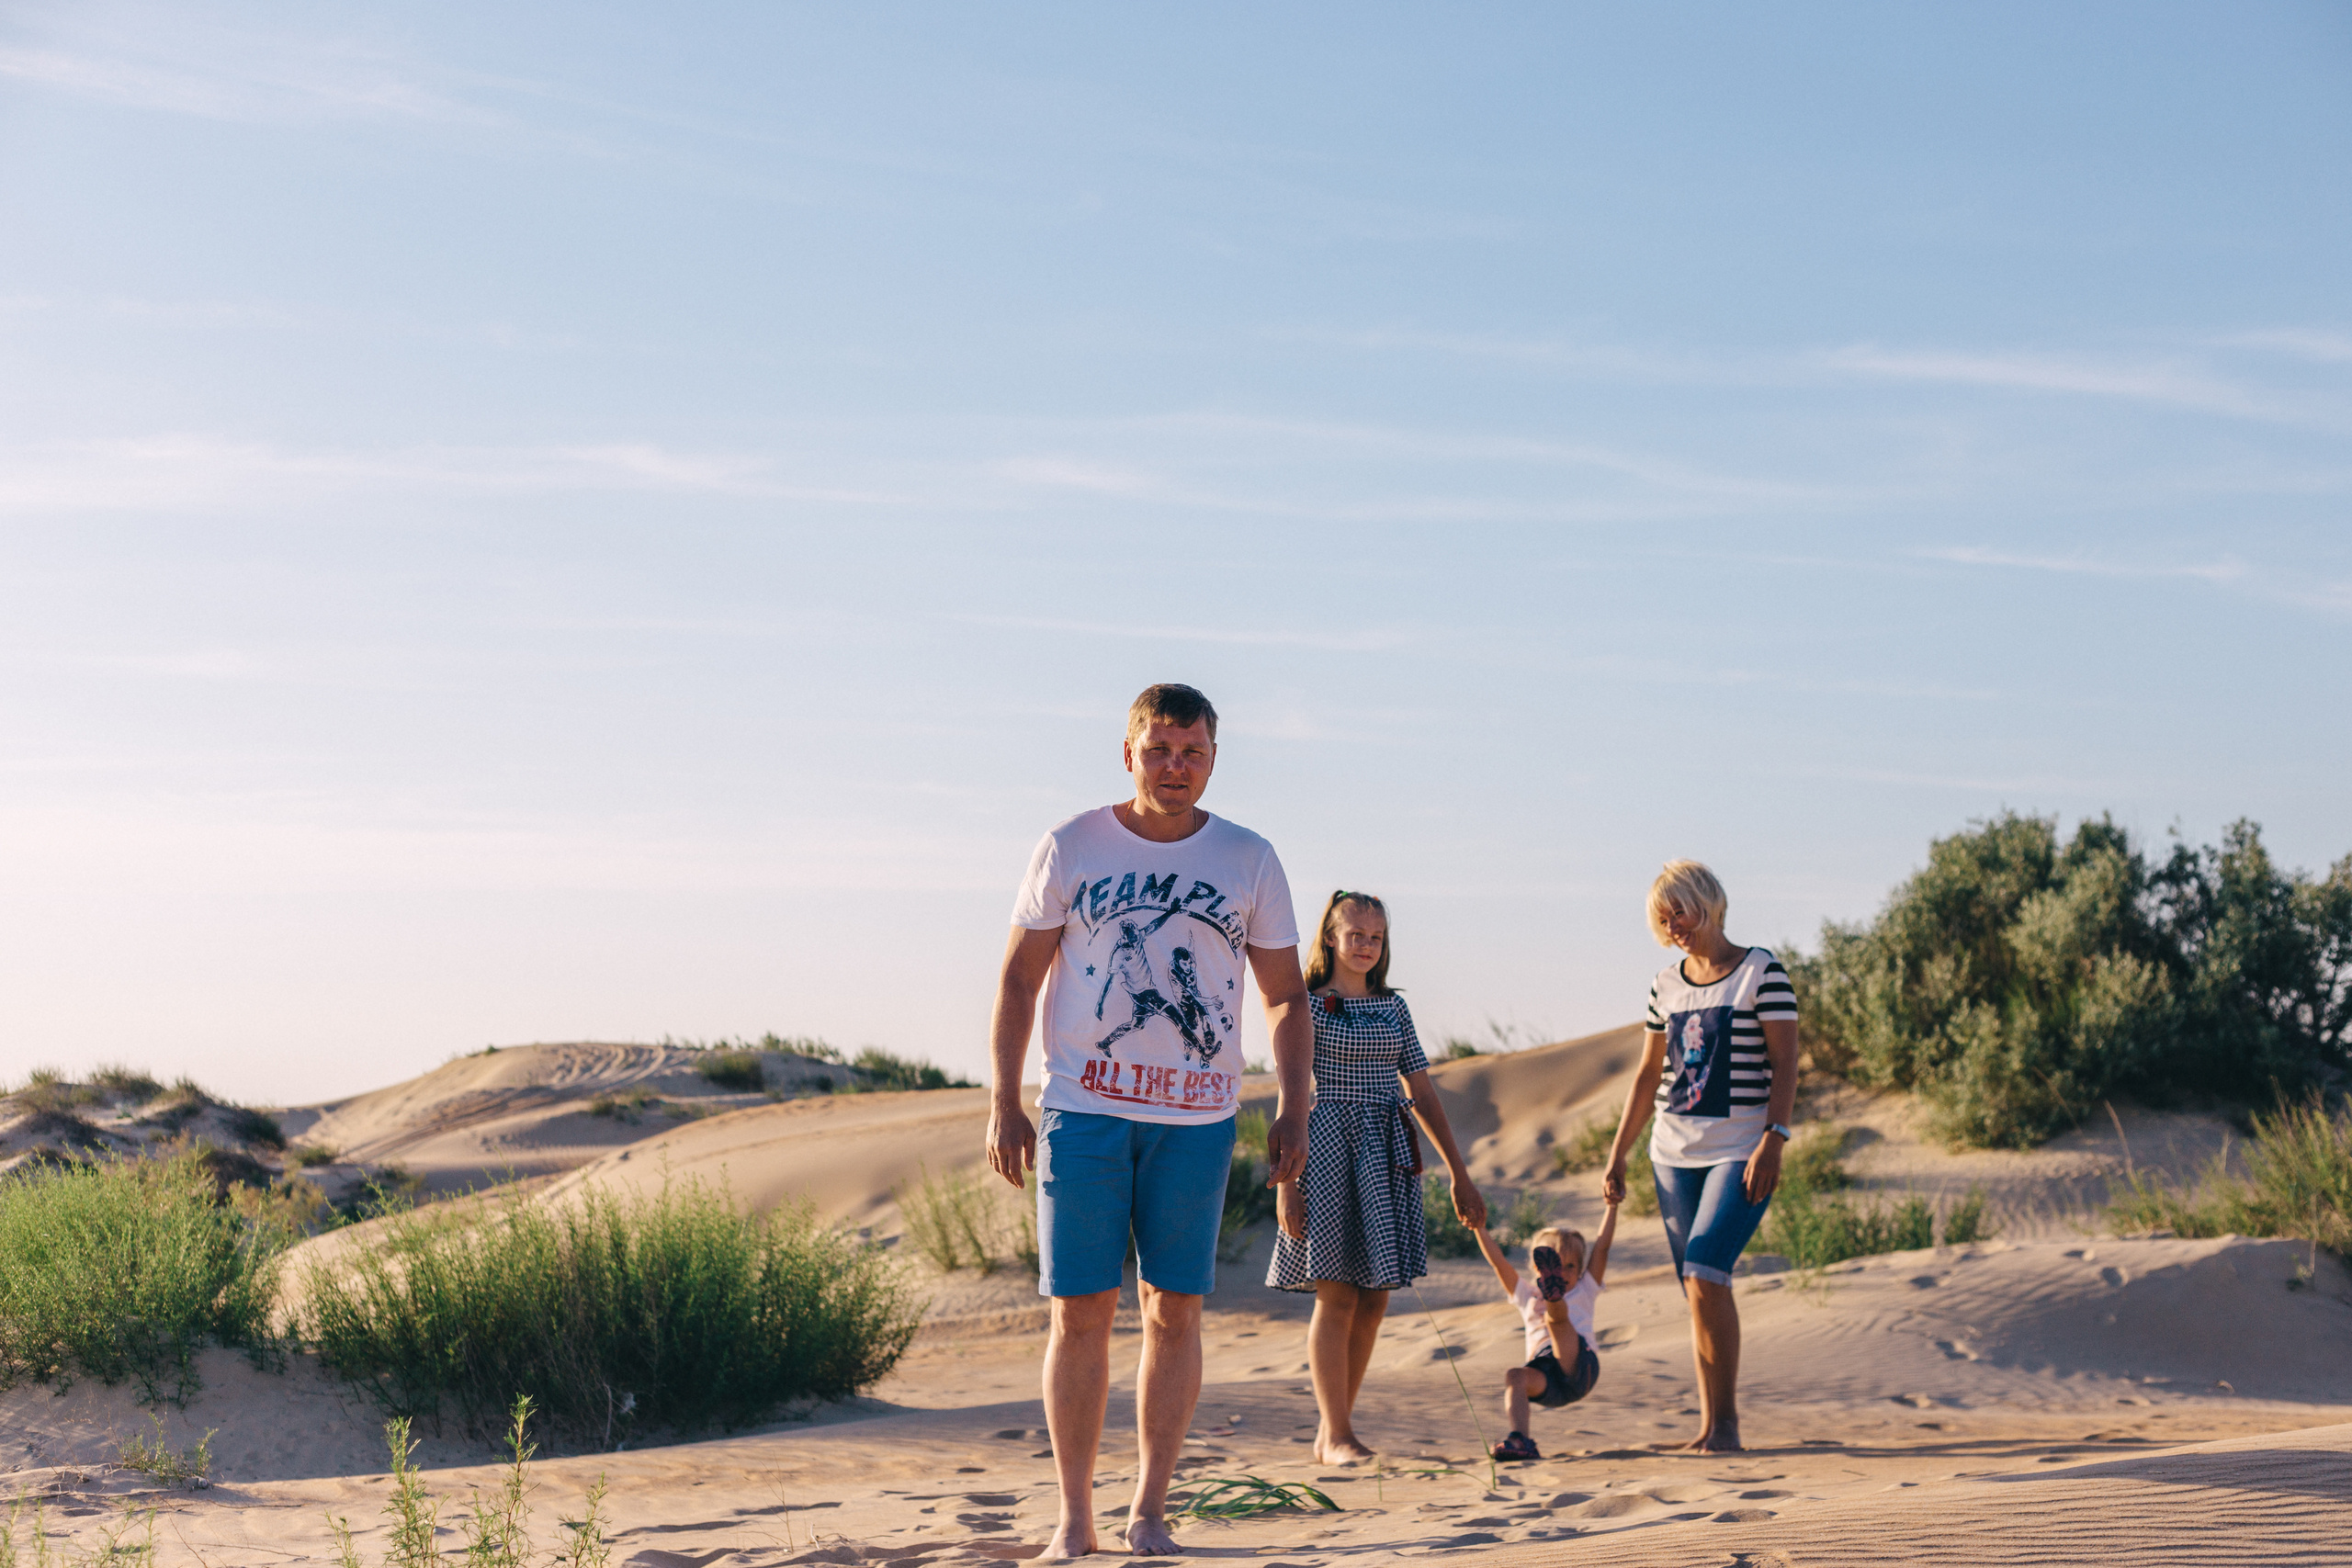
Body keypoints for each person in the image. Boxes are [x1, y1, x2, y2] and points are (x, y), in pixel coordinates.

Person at [986, 683, 1313, 1560]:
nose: (1176, 767)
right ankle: (1074, 1518)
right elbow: (1020, 979)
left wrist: (1293, 1100)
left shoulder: (1249, 858)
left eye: (1193, 752)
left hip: (1198, 1120)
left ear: (1213, 759)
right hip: (1083, 1111)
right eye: (1160, 750)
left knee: (1175, 1311)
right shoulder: (1071, 845)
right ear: (1128, 752)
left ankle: (1149, 1513)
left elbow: (1284, 996)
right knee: (1080, 1310)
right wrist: (1004, 1099)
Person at [1268, 891, 1485, 1465]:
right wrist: (1287, 1182)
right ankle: (1336, 1434)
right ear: (1331, 938)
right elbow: (1289, 1095)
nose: (1366, 945)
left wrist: (1460, 1175)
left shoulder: (1393, 1009)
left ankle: (1334, 1429)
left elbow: (1424, 1091)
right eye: (1356, 934)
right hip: (1325, 1148)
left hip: (1385, 1151)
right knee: (1336, 1294)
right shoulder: (1305, 1006)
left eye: (1376, 937)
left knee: (1375, 1296)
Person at [1600, 860, 1800, 1454]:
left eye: (1678, 910)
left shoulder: (1762, 971)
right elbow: (1646, 1075)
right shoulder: (1666, 982)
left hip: (1738, 1150)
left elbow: (1786, 1062)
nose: (1672, 924)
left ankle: (1729, 1425)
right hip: (1671, 1152)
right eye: (1662, 917)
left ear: (1708, 901)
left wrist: (1776, 1135)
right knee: (1696, 1287)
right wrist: (1618, 1154)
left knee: (1707, 1268)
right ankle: (1709, 1425)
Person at [1473, 1208, 1616, 1461]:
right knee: (1515, 1376)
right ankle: (1521, 1440)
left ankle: (1554, 1300)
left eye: (1570, 1266)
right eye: (1552, 1266)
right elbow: (1499, 1263)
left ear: (1581, 1270)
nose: (1563, 1272)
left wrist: (1612, 1207)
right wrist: (1479, 1229)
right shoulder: (1526, 1295)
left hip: (1580, 1366)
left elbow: (1602, 1248)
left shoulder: (1585, 1289)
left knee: (1557, 1321)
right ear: (1537, 1268)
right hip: (1550, 1382)